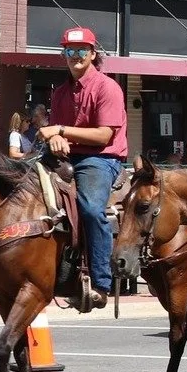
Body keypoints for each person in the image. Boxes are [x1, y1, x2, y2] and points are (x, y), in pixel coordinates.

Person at [40, 27, 128, 309]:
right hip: (66, 157)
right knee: (24, 190)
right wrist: (54, 138)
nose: (74, 56)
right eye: (69, 51)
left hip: (101, 158)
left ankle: (101, 282)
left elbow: (104, 135)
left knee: (90, 209)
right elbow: (56, 131)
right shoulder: (60, 92)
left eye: (81, 51)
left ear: (92, 54)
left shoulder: (107, 87)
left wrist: (61, 131)